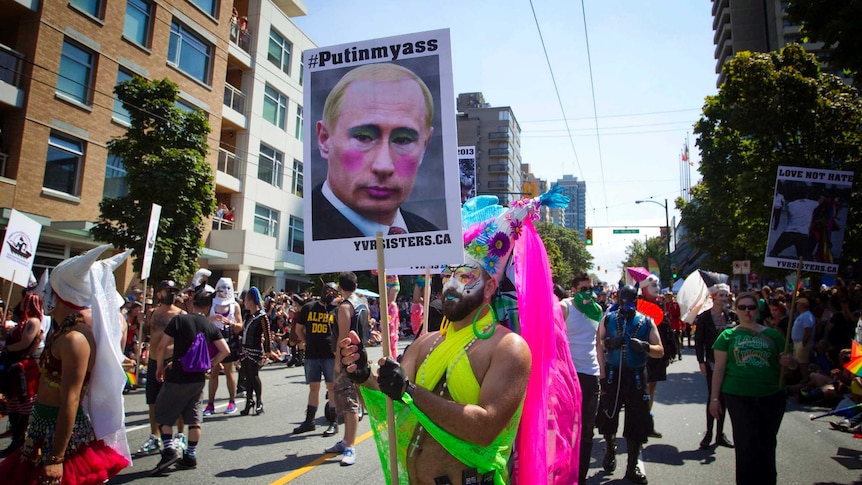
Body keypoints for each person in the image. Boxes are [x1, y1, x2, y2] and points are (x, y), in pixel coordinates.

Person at [338, 190, 578, 484]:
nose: (450, 285)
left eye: (464, 275)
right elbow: (395, 401)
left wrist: (410, 390)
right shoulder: (425, 341)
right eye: (448, 274)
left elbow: (484, 427)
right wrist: (364, 376)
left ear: (490, 287)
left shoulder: (508, 348)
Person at [0, 245, 131, 484]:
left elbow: (70, 398)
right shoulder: (66, 331)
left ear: (59, 293)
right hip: (42, 427)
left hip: (57, 435)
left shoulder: (74, 338)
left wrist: (56, 459)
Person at [312, 62, 439, 240]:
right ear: (324, 139)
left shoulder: (432, 237)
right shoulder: (300, 232)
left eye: (403, 140)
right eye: (363, 137)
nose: (383, 166)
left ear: (424, 146)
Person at [710, 292, 798, 485]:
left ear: (757, 310)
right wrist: (714, 399)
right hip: (738, 395)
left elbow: (792, 364)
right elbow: (719, 368)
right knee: (745, 444)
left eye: (751, 307)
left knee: (767, 443)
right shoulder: (727, 335)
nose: (747, 311)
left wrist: (788, 361)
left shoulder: (773, 334)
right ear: (736, 310)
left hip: (771, 396)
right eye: (742, 308)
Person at [151, 288, 230, 475]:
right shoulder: (209, 325)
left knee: (162, 413)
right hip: (198, 378)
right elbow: (225, 350)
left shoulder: (179, 320)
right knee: (194, 419)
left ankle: (169, 450)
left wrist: (160, 366)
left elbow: (162, 345)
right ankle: (190, 455)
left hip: (178, 375)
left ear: (192, 303)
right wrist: (210, 364)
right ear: (208, 306)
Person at [596, 285, 664, 485]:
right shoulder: (608, 319)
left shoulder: (646, 321)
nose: (626, 302)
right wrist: (607, 344)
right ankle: (609, 448)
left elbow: (659, 350)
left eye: (630, 298)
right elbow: (598, 344)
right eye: (623, 298)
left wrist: (645, 347)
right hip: (612, 374)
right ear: (617, 298)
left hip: (635, 375)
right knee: (608, 414)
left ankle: (632, 464)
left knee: (637, 419)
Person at [136, 280, 187, 457]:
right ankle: (155, 436)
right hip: (152, 360)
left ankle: (180, 435)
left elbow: (186, 340)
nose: (171, 293)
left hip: (171, 361)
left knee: (176, 400)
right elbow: (144, 336)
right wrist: (140, 322)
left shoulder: (181, 314)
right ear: (159, 294)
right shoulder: (151, 314)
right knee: (153, 401)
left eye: (174, 290)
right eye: (167, 290)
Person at [561, 273, 602, 485]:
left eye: (591, 288)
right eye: (584, 288)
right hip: (569, 376)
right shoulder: (564, 307)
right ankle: (565, 474)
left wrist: (602, 374)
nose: (589, 292)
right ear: (574, 289)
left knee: (587, 431)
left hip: (590, 376)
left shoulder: (596, 311)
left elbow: (598, 344)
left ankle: (581, 477)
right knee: (567, 429)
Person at [324, 272, 368, 466]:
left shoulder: (345, 307)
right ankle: (345, 441)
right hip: (361, 356)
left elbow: (343, 337)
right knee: (351, 401)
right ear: (356, 285)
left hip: (348, 359)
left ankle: (350, 445)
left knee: (349, 403)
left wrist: (337, 362)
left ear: (340, 287)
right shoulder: (362, 302)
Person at [293, 283, 340, 435]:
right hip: (312, 354)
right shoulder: (309, 307)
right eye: (328, 291)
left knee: (331, 387)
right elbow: (298, 328)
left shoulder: (336, 311)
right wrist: (306, 341)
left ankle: (334, 421)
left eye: (333, 292)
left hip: (329, 355)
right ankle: (309, 421)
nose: (330, 294)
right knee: (314, 387)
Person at [0, 294, 43, 457]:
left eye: (29, 300)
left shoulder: (33, 322)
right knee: (12, 402)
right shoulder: (23, 322)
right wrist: (5, 333)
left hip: (23, 366)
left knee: (24, 402)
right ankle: (16, 438)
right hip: (13, 365)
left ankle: (21, 440)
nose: (24, 302)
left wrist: (8, 349)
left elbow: (25, 343)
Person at [693, 283, 736, 449]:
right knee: (713, 396)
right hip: (712, 361)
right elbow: (699, 342)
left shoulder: (731, 316)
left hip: (729, 363)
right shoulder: (704, 317)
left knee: (724, 398)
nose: (724, 299)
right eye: (721, 295)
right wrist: (701, 362)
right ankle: (709, 432)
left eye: (726, 296)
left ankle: (720, 434)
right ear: (713, 297)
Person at [203, 277, 241, 416]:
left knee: (228, 370)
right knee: (213, 372)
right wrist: (211, 319)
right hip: (213, 339)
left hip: (227, 339)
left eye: (227, 288)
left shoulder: (234, 305)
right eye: (222, 287)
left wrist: (230, 323)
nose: (224, 291)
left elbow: (240, 326)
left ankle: (232, 401)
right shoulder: (211, 304)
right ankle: (210, 404)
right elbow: (202, 319)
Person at [238, 287, 272, 416]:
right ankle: (249, 402)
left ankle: (259, 402)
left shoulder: (261, 316)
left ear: (251, 301)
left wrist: (268, 351)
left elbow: (267, 334)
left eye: (246, 299)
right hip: (245, 349)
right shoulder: (248, 315)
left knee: (254, 375)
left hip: (255, 350)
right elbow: (244, 331)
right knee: (247, 376)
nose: (244, 302)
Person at [791, 297, 816, 383]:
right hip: (797, 343)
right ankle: (801, 378)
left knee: (803, 363)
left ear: (802, 305)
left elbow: (808, 330)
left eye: (798, 304)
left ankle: (806, 379)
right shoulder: (802, 315)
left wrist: (804, 342)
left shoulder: (807, 315)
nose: (797, 305)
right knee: (798, 362)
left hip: (803, 343)